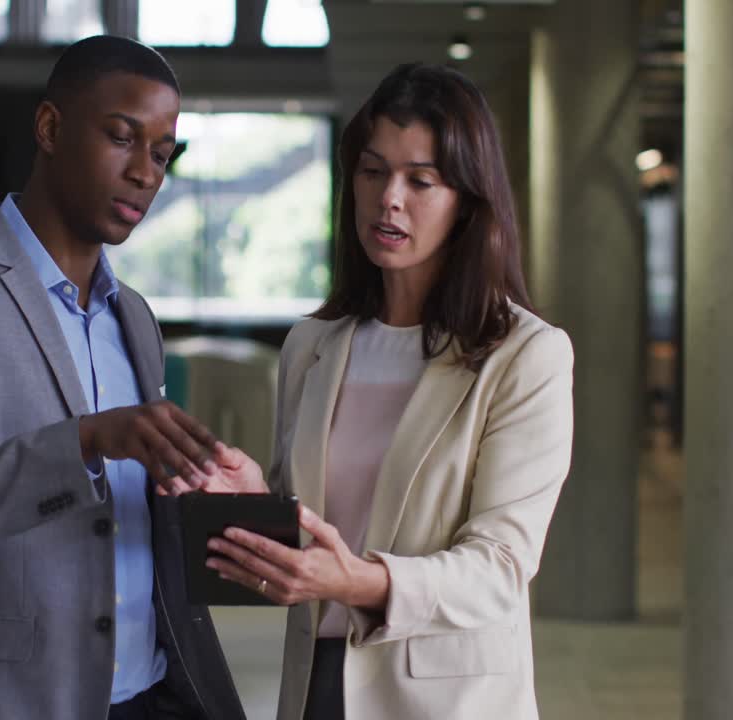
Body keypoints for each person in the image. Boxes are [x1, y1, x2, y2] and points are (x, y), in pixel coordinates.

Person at [0, 36, 246, 720]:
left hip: (152, 696)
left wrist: (232, 506)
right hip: (7, 702)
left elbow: (137, 535)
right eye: (123, 138)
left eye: (161, 155)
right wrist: (87, 442)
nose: (145, 174)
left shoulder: (136, 317)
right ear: (49, 128)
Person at [201, 63, 575, 720]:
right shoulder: (313, 345)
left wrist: (361, 581)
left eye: (420, 180)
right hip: (316, 681)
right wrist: (255, 498)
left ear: (467, 200)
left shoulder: (525, 354)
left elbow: (500, 565)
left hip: (446, 699)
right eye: (372, 173)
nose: (388, 198)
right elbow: (318, 530)